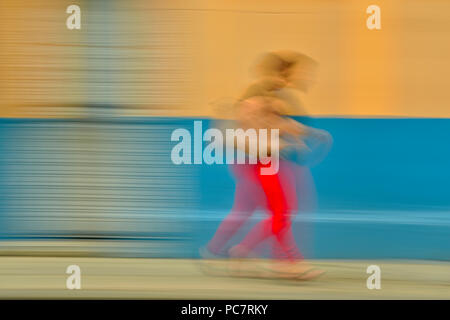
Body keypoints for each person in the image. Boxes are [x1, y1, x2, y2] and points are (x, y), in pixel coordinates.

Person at [201, 51, 331, 279]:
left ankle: (216, 250)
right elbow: (259, 124)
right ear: (276, 74)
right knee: (281, 212)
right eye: (286, 75)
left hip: (256, 160)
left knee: (252, 210)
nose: (288, 81)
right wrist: (287, 139)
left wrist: (303, 135)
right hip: (260, 160)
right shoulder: (259, 94)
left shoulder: (270, 95)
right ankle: (280, 260)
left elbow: (276, 123)